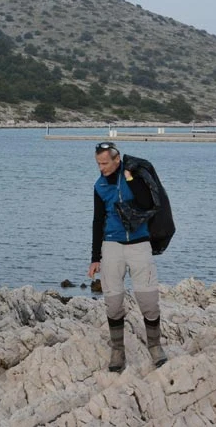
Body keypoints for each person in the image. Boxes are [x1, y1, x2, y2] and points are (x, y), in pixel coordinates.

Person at [89, 141, 168, 372]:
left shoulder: (135, 176)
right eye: (98, 163)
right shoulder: (99, 186)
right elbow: (97, 221)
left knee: (148, 301)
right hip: (111, 244)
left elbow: (147, 203)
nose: (101, 167)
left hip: (140, 244)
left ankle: (155, 346)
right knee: (113, 302)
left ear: (117, 159)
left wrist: (131, 178)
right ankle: (117, 351)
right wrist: (95, 257)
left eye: (105, 163)